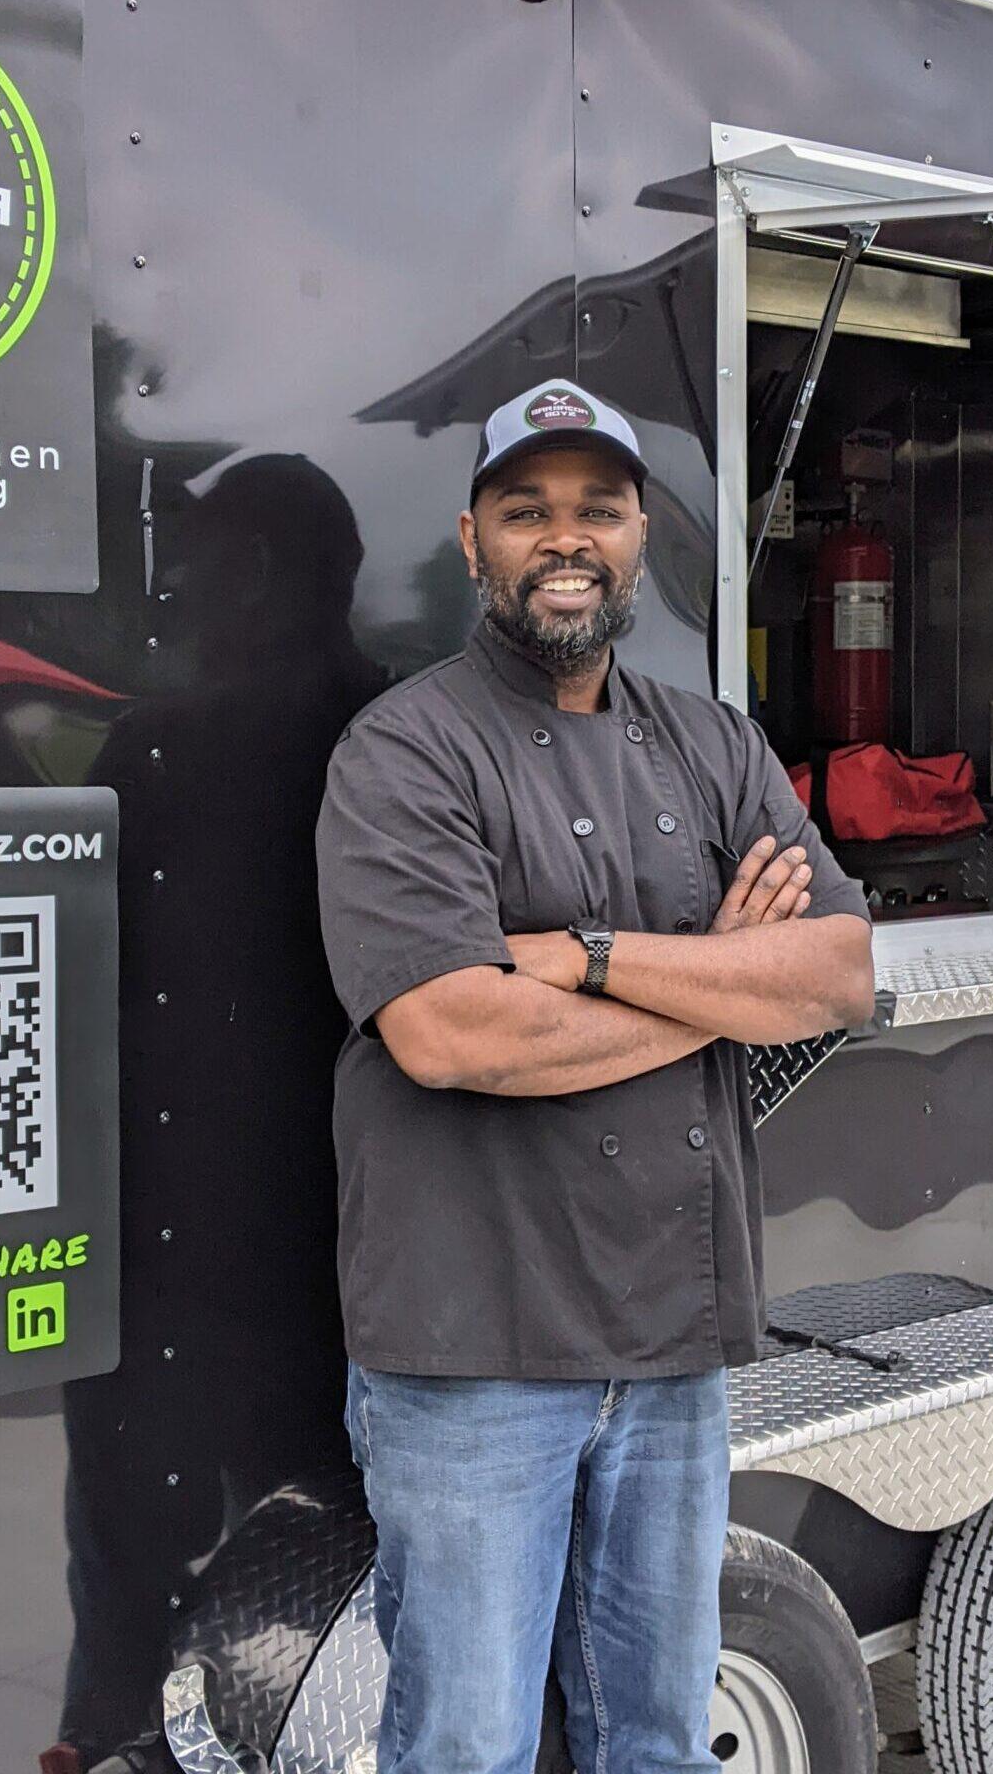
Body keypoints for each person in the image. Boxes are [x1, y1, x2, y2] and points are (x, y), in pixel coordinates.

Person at [315, 378, 875, 1774]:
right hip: (472, 1345)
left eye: (599, 511)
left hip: (671, 1339)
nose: (566, 541)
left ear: (642, 536)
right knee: (467, 1747)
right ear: (470, 541)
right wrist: (716, 986)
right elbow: (452, 1033)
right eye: (528, 512)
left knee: (661, 1739)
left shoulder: (714, 742)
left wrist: (584, 955)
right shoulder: (405, 752)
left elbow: (837, 976)